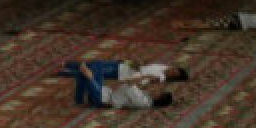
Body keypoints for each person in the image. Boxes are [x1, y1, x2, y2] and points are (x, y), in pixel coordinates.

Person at [69, 62, 174, 109]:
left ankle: (70, 67)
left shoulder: (143, 101)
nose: (157, 90)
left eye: (160, 92)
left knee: (89, 73)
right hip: (106, 93)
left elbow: (129, 83)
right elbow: (133, 85)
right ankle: (79, 100)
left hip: (102, 99)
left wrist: (145, 76)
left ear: (159, 97)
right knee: (92, 69)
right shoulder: (147, 97)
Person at [59, 59, 188, 85]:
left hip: (123, 73)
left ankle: (65, 72)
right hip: (125, 64)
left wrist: (143, 73)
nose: (172, 71)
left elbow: (147, 78)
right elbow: (147, 64)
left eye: (174, 74)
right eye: (175, 69)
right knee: (96, 63)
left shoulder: (161, 77)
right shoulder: (163, 65)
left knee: (93, 71)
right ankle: (68, 64)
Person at [172, 9, 256, 32]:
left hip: (240, 17)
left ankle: (187, 23)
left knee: (212, 21)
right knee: (211, 25)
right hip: (240, 23)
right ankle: (186, 25)